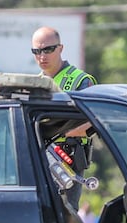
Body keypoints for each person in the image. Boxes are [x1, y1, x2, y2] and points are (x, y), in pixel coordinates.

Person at [32, 26, 97, 209]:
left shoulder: (80, 81)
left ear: (60, 48)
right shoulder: (35, 84)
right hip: (39, 158)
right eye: (36, 51)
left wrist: (64, 134)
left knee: (67, 215)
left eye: (48, 50)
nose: (42, 56)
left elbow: (93, 120)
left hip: (68, 159)